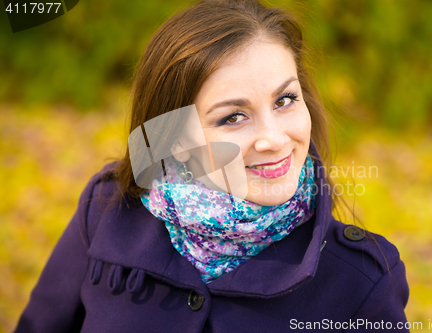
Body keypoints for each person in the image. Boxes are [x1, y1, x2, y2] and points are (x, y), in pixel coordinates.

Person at [15, 0, 410, 331]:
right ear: (174, 136)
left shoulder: (363, 282)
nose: (273, 139)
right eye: (233, 117)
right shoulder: (107, 209)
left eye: (285, 99)